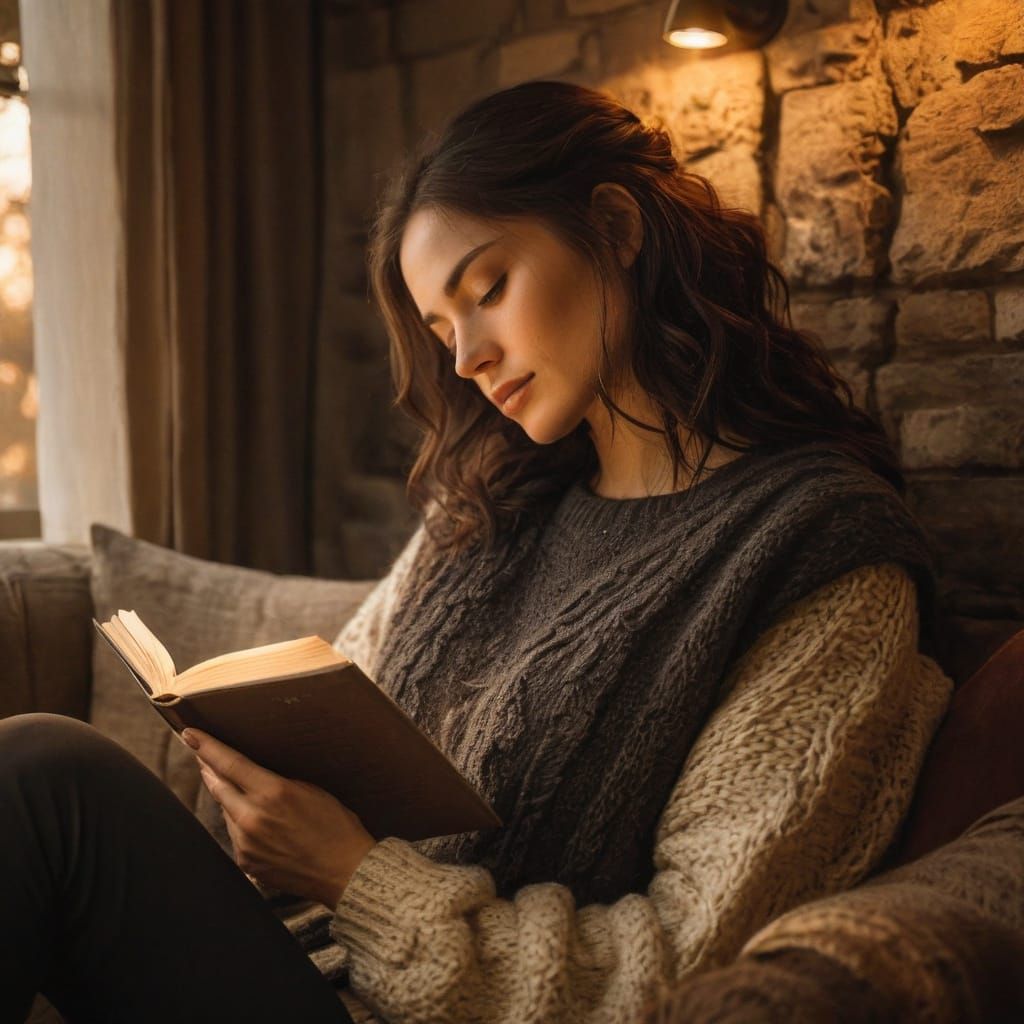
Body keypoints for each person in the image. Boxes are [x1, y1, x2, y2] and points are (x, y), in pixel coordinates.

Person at [1, 79, 954, 1024]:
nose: (465, 359)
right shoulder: (499, 502)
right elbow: (339, 696)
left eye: (488, 290)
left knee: (44, 777)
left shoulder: (818, 556)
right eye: (441, 328)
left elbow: (677, 965)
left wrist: (350, 873)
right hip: (300, 963)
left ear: (617, 228)